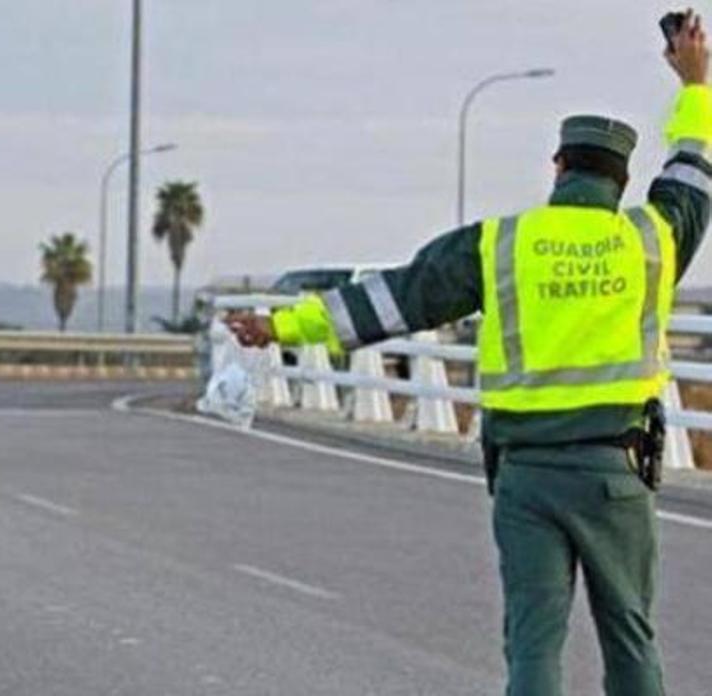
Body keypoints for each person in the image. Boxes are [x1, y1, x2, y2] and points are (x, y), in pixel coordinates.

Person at [227, 12, 710, 696]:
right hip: (614, 474)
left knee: (533, 646)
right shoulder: (652, 240)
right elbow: (692, 168)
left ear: (558, 168)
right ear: (622, 182)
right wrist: (696, 81)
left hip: (526, 477)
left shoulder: (501, 244)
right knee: (629, 640)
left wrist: (285, 327)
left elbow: (397, 298)